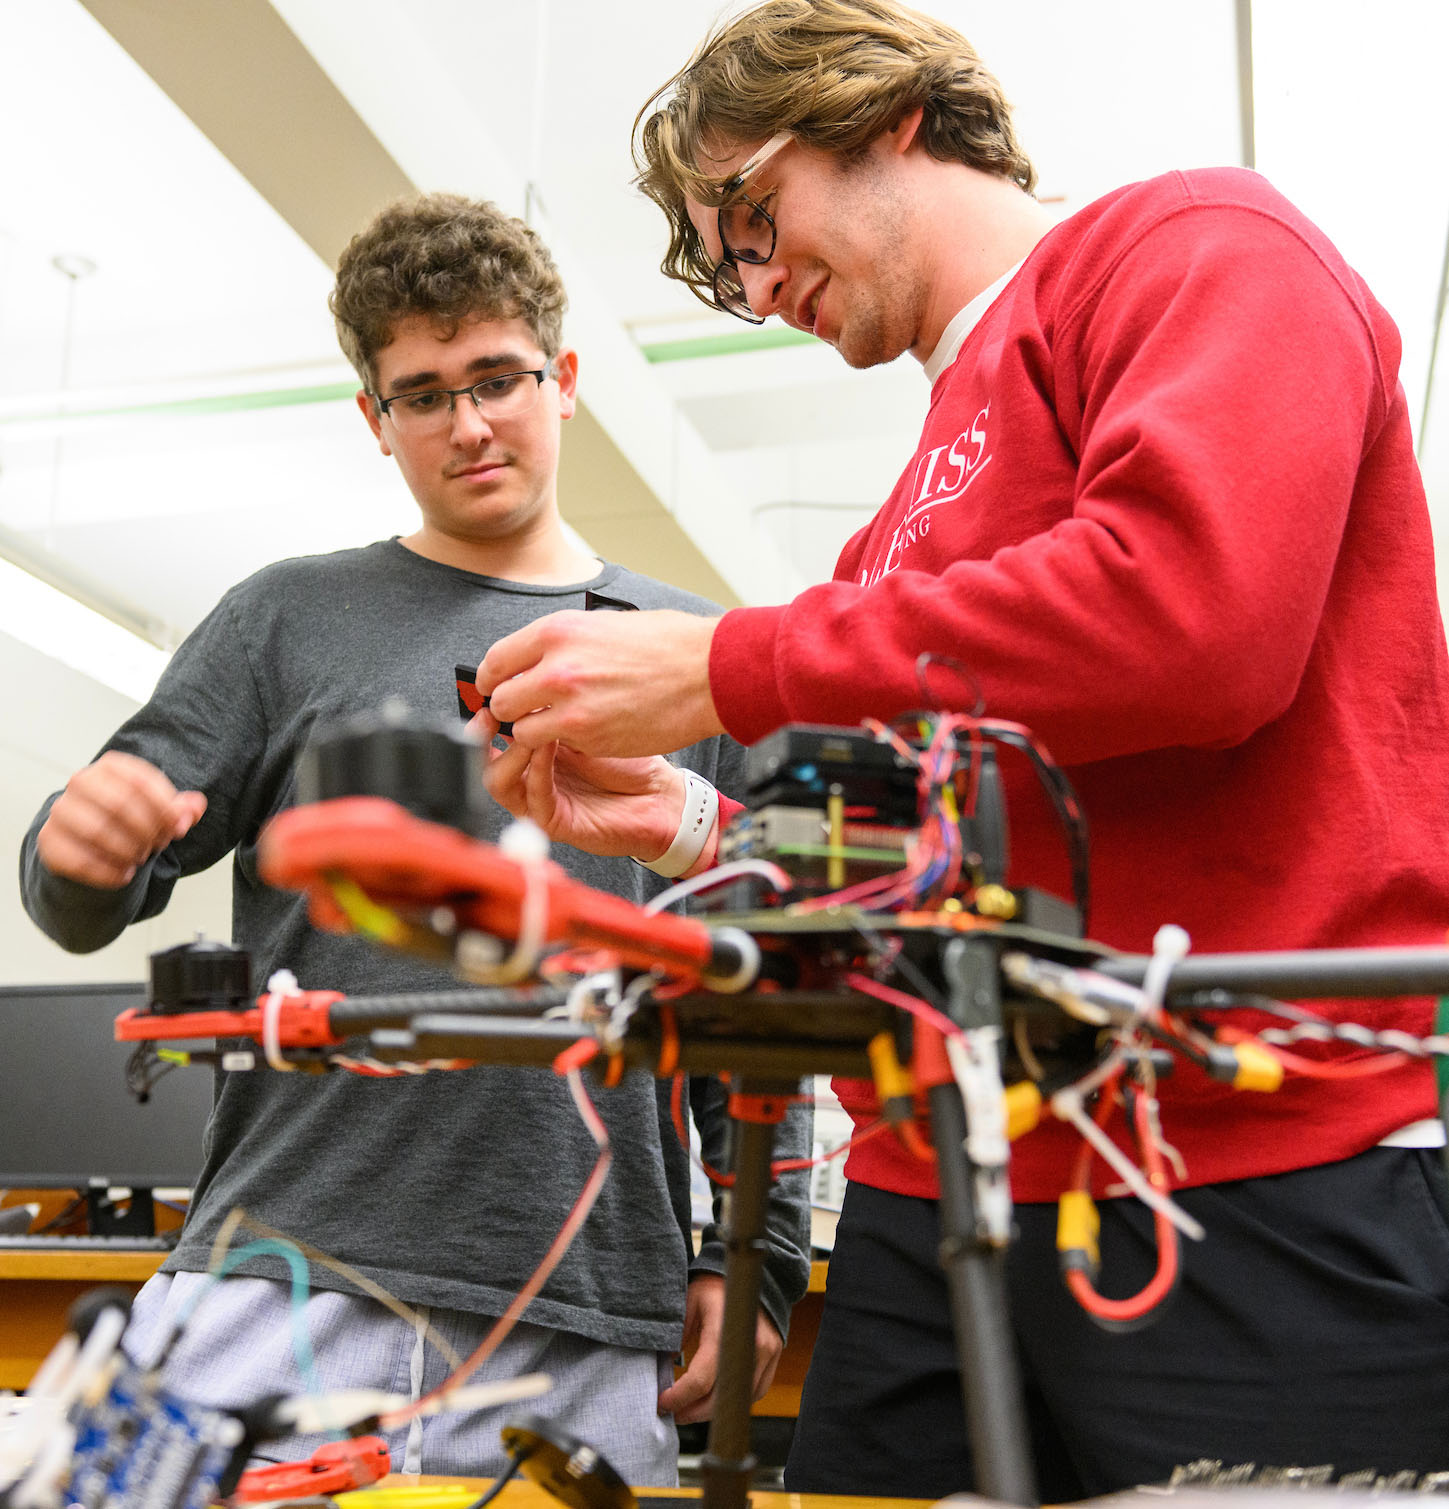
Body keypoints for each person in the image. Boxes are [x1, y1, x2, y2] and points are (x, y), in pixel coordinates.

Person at [473, 0, 1449, 1499]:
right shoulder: (894, 524)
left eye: (751, 211)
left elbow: (1197, 615)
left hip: (1241, 1169)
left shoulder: (1189, 245)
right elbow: (913, 869)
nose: (752, 276)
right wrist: (682, 822)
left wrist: (729, 663)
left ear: (888, 117)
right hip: (931, 1198)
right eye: (721, 259)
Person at [18, 192, 811, 1484]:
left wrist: (755, 1257)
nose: (470, 421)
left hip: (587, 1304)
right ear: (374, 419)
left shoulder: (691, 656)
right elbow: (78, 885)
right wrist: (77, 849)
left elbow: (764, 988)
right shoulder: (284, 619)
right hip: (279, 1277)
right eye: (423, 392)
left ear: (561, 378)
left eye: (496, 376)